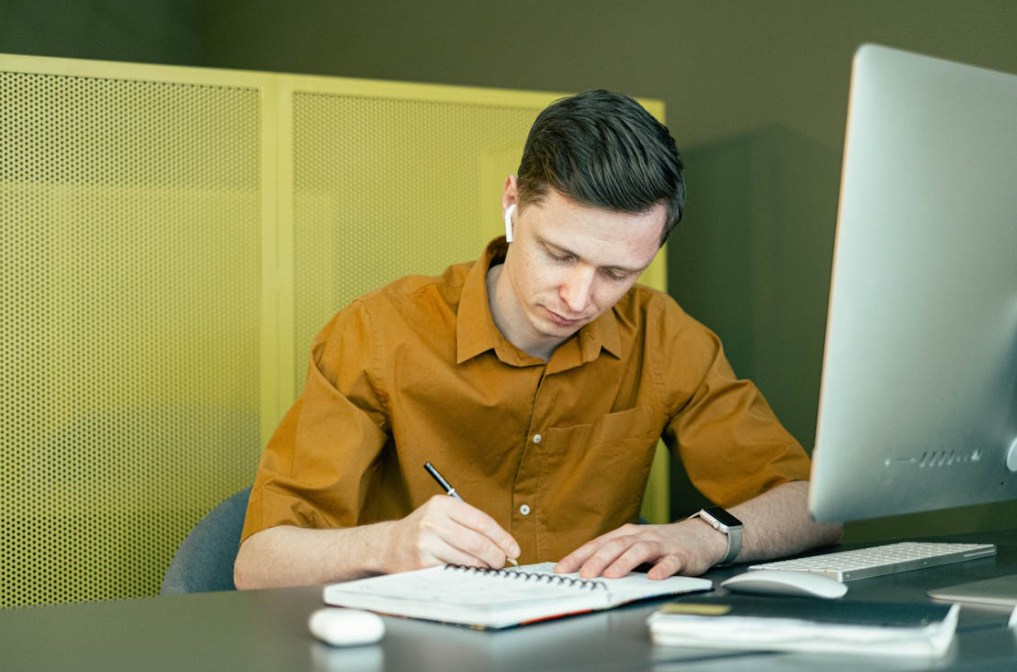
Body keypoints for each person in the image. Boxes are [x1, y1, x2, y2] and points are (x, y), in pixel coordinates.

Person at [234, 90, 841, 589]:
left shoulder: (663, 335)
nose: (579, 298)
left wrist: (701, 536)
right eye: (560, 254)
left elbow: (813, 508)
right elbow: (258, 563)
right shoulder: (378, 332)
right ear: (511, 204)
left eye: (616, 274)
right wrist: (390, 542)